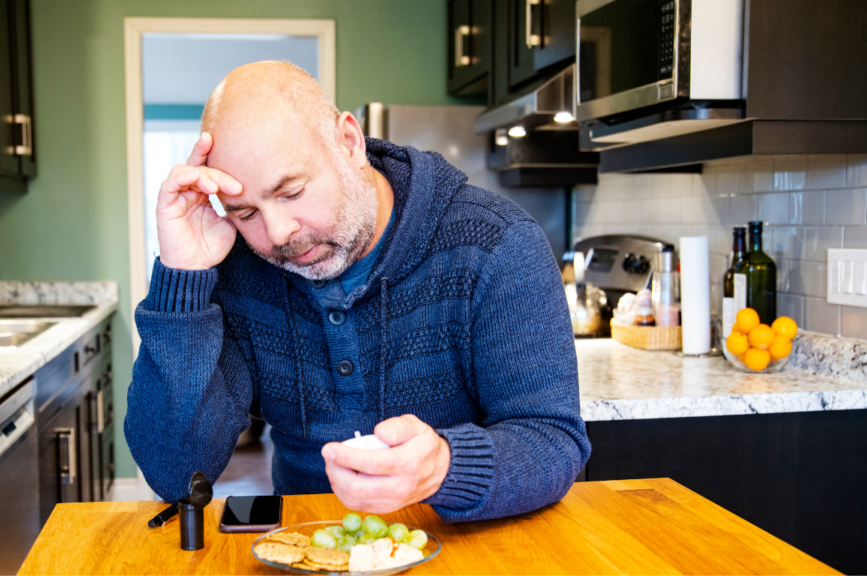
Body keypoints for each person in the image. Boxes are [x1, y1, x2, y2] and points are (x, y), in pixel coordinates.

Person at [125, 61, 590, 522]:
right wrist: (180, 278)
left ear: (349, 142)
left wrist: (444, 468)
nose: (280, 234)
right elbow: (175, 474)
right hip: (307, 548)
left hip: (463, 549)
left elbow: (553, 441)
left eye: (291, 193)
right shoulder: (238, 270)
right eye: (245, 213)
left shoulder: (497, 244)